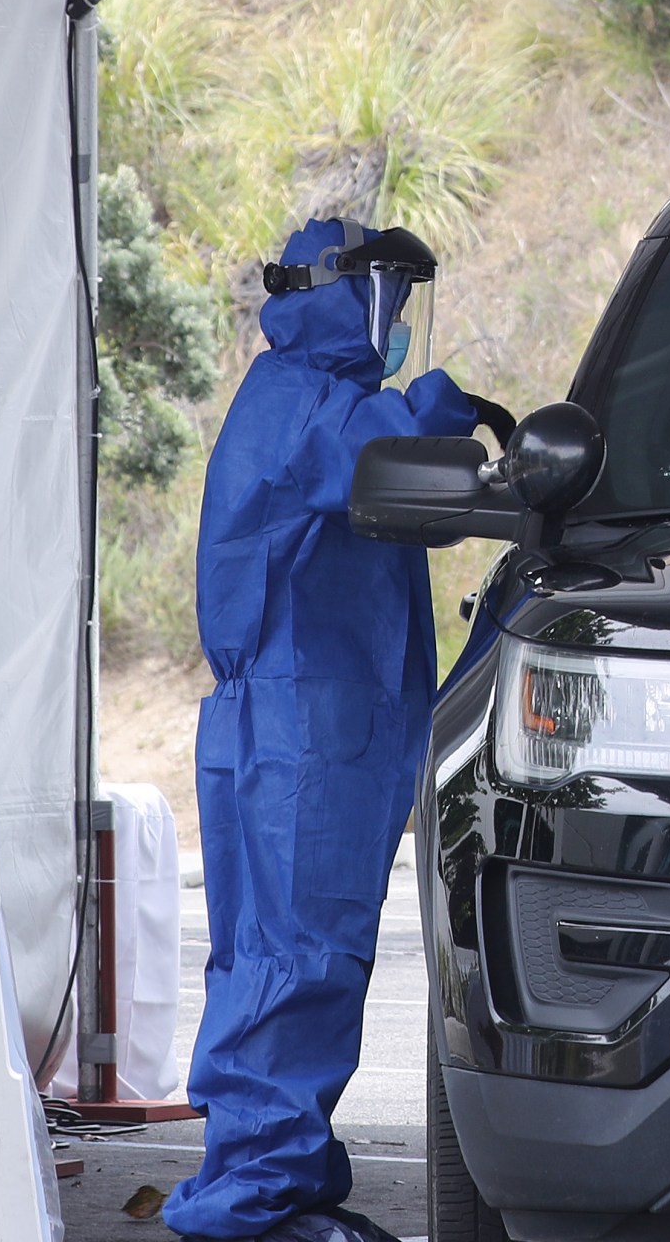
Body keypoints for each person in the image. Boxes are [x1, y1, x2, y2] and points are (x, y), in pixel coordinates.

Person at [167, 218, 503, 1242]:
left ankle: (282, 1181)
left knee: (283, 960)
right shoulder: (311, 407)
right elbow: (404, 475)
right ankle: (255, 1203)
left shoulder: (313, 401)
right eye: (393, 299)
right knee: (295, 964)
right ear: (348, 296)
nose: (401, 322)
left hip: (304, 730)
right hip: (301, 734)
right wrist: (446, 412)